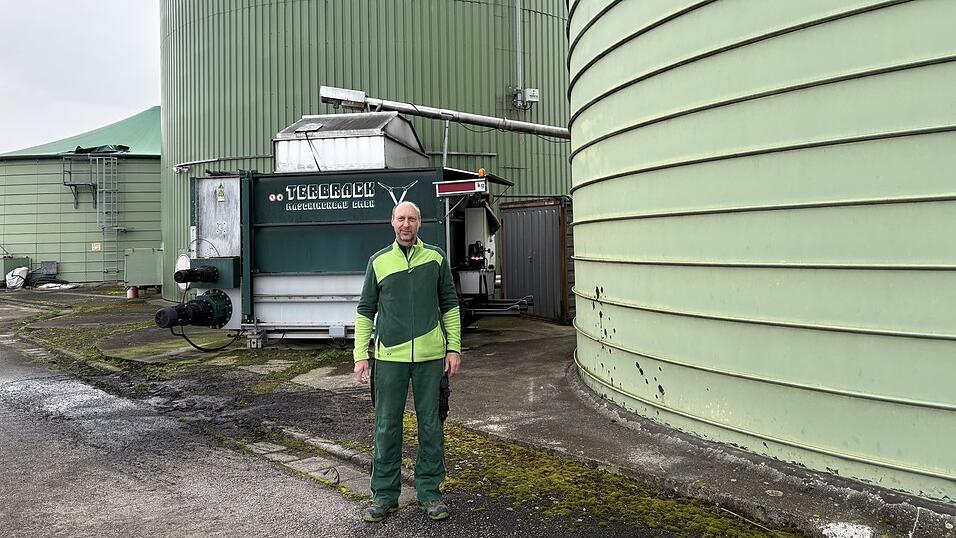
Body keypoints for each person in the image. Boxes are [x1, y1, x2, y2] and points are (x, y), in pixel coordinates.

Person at [353, 200, 461, 522]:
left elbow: (450, 305)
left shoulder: (436, 258)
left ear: (419, 223)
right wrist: (362, 355)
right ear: (392, 222)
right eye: (401, 218)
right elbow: (364, 310)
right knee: (386, 427)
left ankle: (430, 493)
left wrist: (453, 348)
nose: (406, 224)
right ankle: (385, 496)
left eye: (412, 219)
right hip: (389, 359)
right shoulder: (378, 262)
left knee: (431, 426)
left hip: (430, 358)